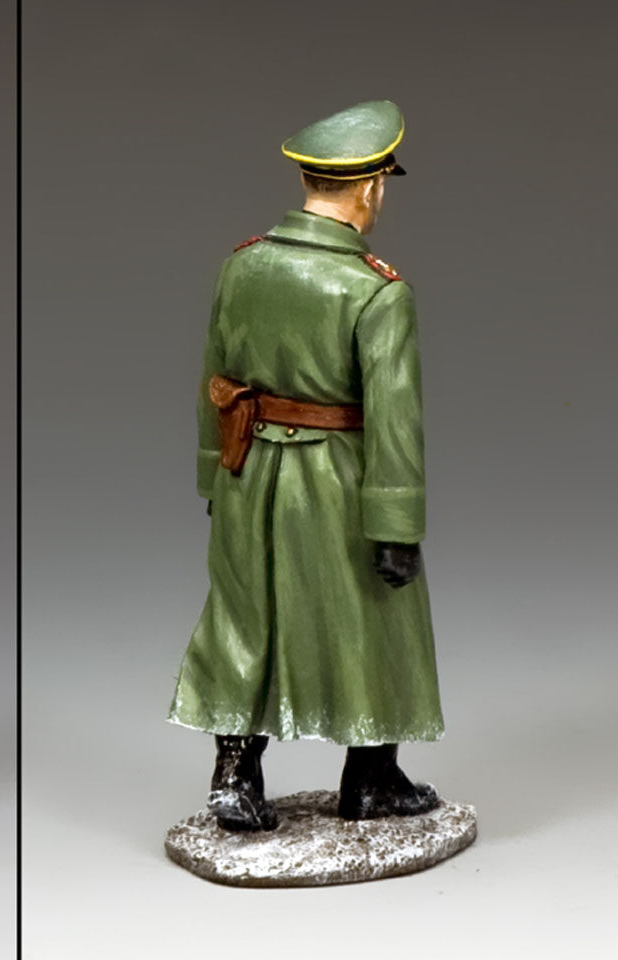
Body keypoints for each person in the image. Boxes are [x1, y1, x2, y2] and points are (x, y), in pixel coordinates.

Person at [169, 100, 442, 830]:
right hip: (338, 480)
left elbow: (216, 380)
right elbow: (395, 419)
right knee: (377, 618)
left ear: (306, 179)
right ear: (371, 188)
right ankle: (372, 778)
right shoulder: (378, 290)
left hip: (248, 468)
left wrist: (213, 474)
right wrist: (396, 524)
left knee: (242, 617)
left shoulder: (243, 265)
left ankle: (235, 777)